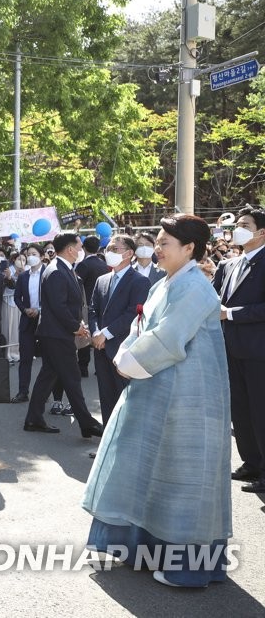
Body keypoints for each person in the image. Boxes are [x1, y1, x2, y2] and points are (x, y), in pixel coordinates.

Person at [84, 215, 231, 588]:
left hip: (189, 395)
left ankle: (188, 568)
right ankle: (145, 549)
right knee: (148, 467)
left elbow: (168, 336)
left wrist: (128, 361)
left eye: (165, 243)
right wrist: (126, 354)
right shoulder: (163, 284)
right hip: (155, 385)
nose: (158, 249)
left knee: (184, 475)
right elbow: (141, 328)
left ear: (189, 249)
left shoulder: (197, 288)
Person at [22, 233, 104, 438]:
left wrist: (77, 324)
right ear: (70, 249)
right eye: (79, 246)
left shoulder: (64, 269)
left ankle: (33, 418)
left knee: (48, 376)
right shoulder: (57, 271)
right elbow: (58, 306)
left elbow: (67, 304)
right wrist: (75, 326)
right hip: (57, 335)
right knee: (72, 378)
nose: (81, 250)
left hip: (56, 333)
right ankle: (87, 423)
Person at [213, 205, 265, 492]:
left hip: (258, 352)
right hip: (230, 349)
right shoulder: (231, 263)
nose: (237, 229)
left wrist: (231, 313)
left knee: (261, 411)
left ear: (261, 231)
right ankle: (251, 463)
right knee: (241, 412)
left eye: (244, 224)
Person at [89, 234, 149, 425]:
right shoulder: (102, 280)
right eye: (108, 249)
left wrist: (105, 333)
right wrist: (96, 332)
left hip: (122, 349)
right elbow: (93, 310)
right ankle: (106, 447)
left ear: (130, 253)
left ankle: (123, 447)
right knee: (106, 399)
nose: (110, 253)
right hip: (100, 349)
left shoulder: (139, 281)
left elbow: (133, 313)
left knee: (124, 399)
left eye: (116, 249)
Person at [11, 245, 44, 403]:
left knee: (48, 359)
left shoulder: (48, 273)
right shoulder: (23, 276)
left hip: (45, 321)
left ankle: (44, 393)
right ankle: (22, 391)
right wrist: (25, 310)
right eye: (28, 254)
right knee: (25, 358)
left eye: (34, 254)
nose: (30, 256)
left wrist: (39, 310)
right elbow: (17, 297)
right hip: (27, 320)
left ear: (41, 256)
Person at [75, 236, 110, 377]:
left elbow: (77, 285)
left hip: (87, 304)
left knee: (86, 335)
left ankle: (83, 366)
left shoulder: (83, 265)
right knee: (99, 334)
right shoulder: (103, 263)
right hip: (102, 304)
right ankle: (99, 367)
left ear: (84, 248)